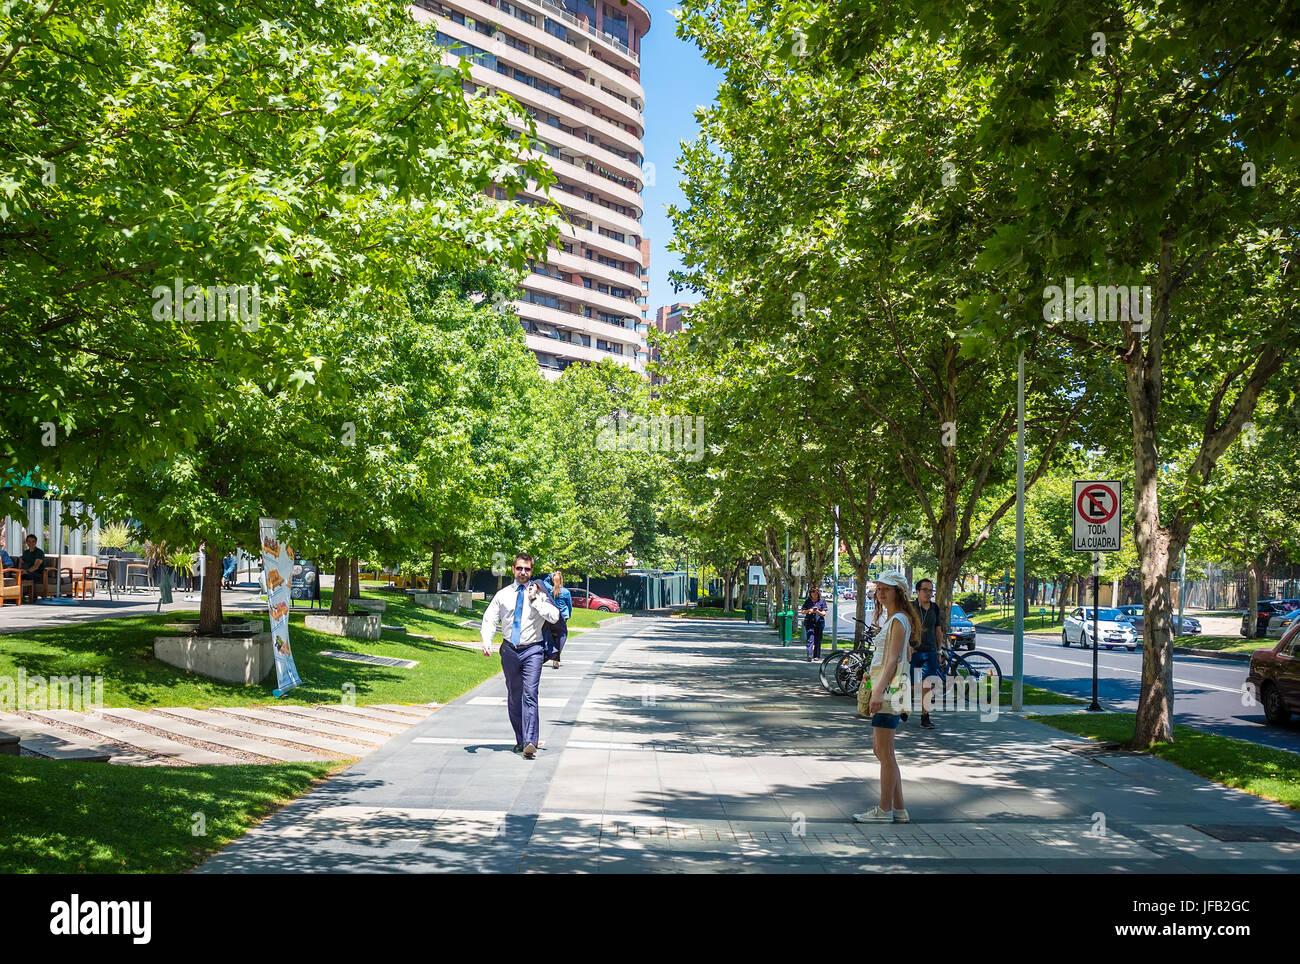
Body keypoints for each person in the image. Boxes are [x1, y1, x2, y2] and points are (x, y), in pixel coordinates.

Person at [853, 570, 919, 824]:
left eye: (886, 589)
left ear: (898, 592)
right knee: (883, 750)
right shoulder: (895, 619)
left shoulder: (898, 620)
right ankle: (899, 808)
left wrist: (878, 692)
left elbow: (893, 660)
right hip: (893, 687)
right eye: (878, 588)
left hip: (891, 689)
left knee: (884, 751)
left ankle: (884, 809)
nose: (880, 593)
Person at [480, 552, 559, 759]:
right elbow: (490, 618)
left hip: (533, 650)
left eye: (527, 569)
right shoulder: (503, 594)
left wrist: (535, 601)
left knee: (530, 694)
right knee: (515, 696)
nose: (523, 572)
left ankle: (531, 741)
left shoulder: (540, 593)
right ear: (513, 570)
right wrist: (487, 641)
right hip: (509, 650)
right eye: (519, 568)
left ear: (532, 571)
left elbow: (554, 615)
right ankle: (521, 740)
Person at [911, 578, 947, 730]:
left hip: (930, 651)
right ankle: (903, 707)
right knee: (910, 685)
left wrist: (939, 650)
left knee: (927, 685)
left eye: (931, 590)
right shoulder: (910, 607)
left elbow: (938, 630)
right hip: (913, 651)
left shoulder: (934, 608)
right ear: (917, 591)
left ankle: (925, 716)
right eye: (925, 590)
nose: (928, 593)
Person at [545, 571, 572, 668]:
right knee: (562, 635)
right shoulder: (566, 592)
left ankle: (550, 653)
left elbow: (544, 582)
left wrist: (551, 574)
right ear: (561, 580)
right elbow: (569, 605)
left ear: (553, 580)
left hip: (551, 617)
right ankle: (556, 658)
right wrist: (569, 615)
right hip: (562, 617)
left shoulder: (549, 589)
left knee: (551, 636)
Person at [800, 586, 827, 661]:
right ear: (810, 594)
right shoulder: (808, 600)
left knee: (818, 640)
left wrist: (817, 611)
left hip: (819, 622)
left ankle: (816, 656)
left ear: (818, 594)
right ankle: (809, 655)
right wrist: (810, 610)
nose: (814, 596)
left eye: (815, 594)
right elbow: (803, 611)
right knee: (810, 639)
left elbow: (824, 613)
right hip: (809, 622)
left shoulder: (822, 600)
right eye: (812, 594)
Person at [19, 535, 45, 601]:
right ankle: (14, 595)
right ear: (26, 542)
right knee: (17, 575)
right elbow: (22, 562)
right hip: (28, 572)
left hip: (39, 573)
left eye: (33, 541)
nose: (31, 543)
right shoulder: (26, 552)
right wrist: (20, 568)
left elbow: (36, 566)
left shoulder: (39, 552)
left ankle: (26, 596)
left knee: (24, 575)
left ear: (36, 542)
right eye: (29, 541)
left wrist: (26, 571)